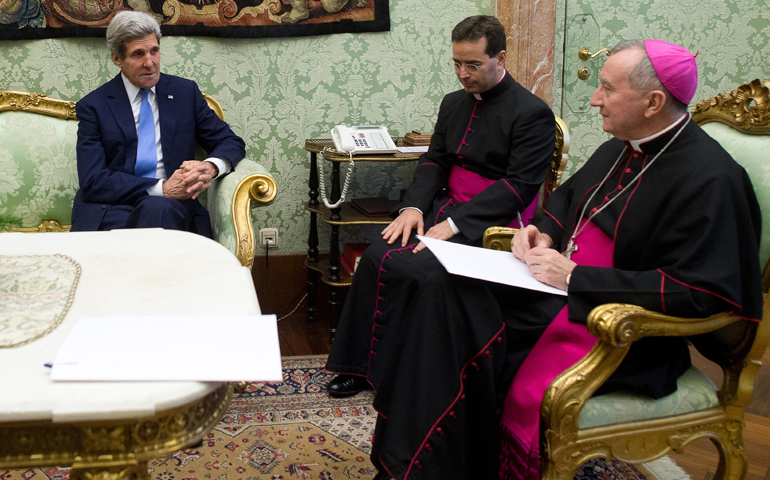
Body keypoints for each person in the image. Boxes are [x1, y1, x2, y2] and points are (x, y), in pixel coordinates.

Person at [340, 38, 764, 480]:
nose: (595, 99)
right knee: (440, 290)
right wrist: (540, 233)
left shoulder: (712, 178)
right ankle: (416, 466)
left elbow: (702, 291)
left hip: (620, 332)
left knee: (460, 326)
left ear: (653, 102)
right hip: (557, 290)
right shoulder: (621, 145)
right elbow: (563, 205)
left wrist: (576, 277)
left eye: (607, 89)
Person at [325, 15, 556, 397]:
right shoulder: (453, 104)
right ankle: (361, 369)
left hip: (492, 221)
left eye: (473, 65)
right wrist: (413, 208)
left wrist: (456, 224)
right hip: (441, 209)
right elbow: (434, 162)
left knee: (422, 272)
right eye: (456, 64)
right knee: (378, 256)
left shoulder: (532, 113)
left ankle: (406, 376)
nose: (462, 74)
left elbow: (519, 187)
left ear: (500, 57)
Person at [71, 11, 245, 238]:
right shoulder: (94, 106)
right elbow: (93, 181)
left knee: (159, 209)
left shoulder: (184, 93)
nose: (150, 62)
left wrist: (210, 167)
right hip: (113, 207)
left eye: (154, 51)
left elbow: (229, 141)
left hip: (172, 208)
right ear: (117, 59)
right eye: (138, 54)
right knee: (153, 212)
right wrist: (161, 188)